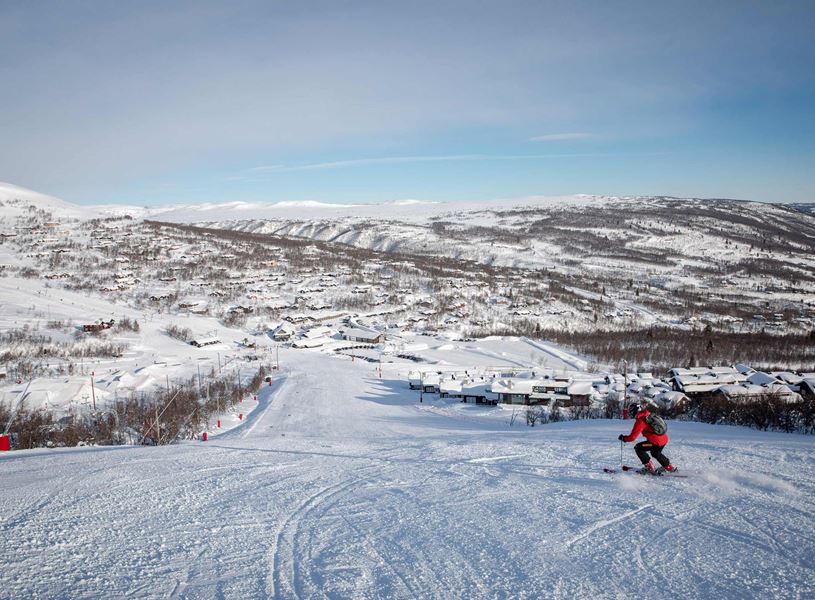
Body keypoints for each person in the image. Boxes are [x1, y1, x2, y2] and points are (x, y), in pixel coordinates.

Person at [618, 402, 678, 475]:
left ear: (634, 411)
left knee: (638, 448)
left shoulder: (640, 421)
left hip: (655, 441)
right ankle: (669, 467)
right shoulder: (648, 414)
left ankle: (650, 468)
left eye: (631, 412)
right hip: (664, 439)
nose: (630, 414)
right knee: (655, 453)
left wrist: (624, 438)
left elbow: (632, 437)